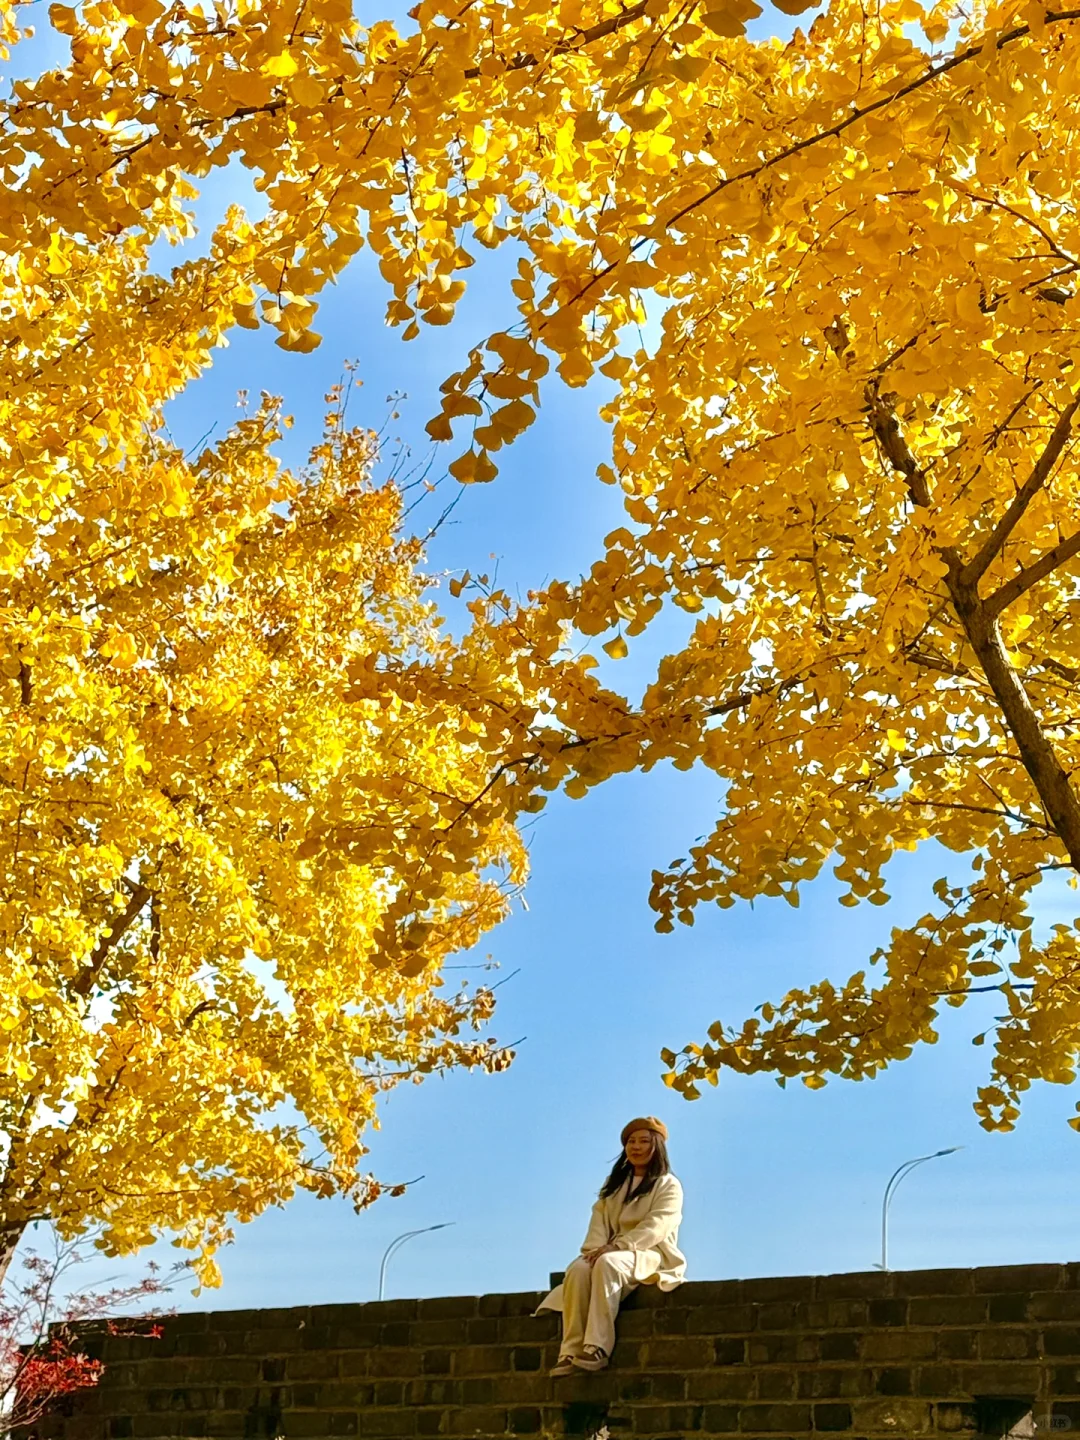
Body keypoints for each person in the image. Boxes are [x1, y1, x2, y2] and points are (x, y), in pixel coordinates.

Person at [536, 1116, 686, 1375]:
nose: (636, 1147)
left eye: (643, 1141)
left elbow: (658, 1226)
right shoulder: (615, 1186)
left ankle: (597, 1348)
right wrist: (593, 1250)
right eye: (631, 1141)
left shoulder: (668, 1184)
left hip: (649, 1254)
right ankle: (570, 1351)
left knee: (606, 1263)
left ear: (657, 1147)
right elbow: (599, 1220)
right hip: (610, 1252)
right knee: (579, 1269)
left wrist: (620, 1246)